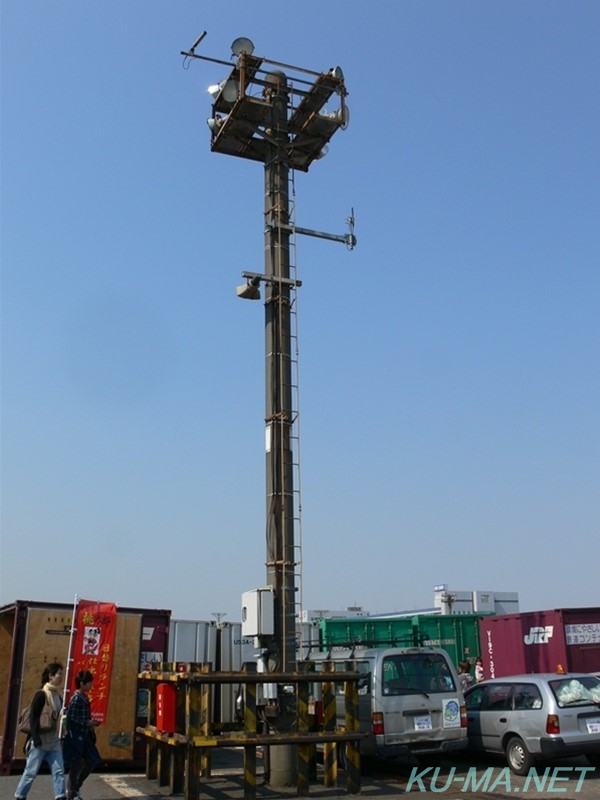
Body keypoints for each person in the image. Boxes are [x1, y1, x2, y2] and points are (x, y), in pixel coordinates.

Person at [14, 662, 66, 800]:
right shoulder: (41, 694)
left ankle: (60, 796)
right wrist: (36, 738)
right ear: (51, 676)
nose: (61, 677)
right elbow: (34, 718)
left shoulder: (58, 696)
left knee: (59, 771)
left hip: (54, 741)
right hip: (40, 741)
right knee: (31, 772)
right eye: (59, 674)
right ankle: (20, 796)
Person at [63, 670, 102, 800]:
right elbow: (71, 718)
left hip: (84, 736)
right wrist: (87, 723)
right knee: (76, 763)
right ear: (82, 683)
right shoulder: (76, 699)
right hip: (77, 736)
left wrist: (90, 724)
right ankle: (72, 793)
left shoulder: (83, 697)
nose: (91, 685)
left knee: (93, 760)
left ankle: (75, 787)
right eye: (89, 683)